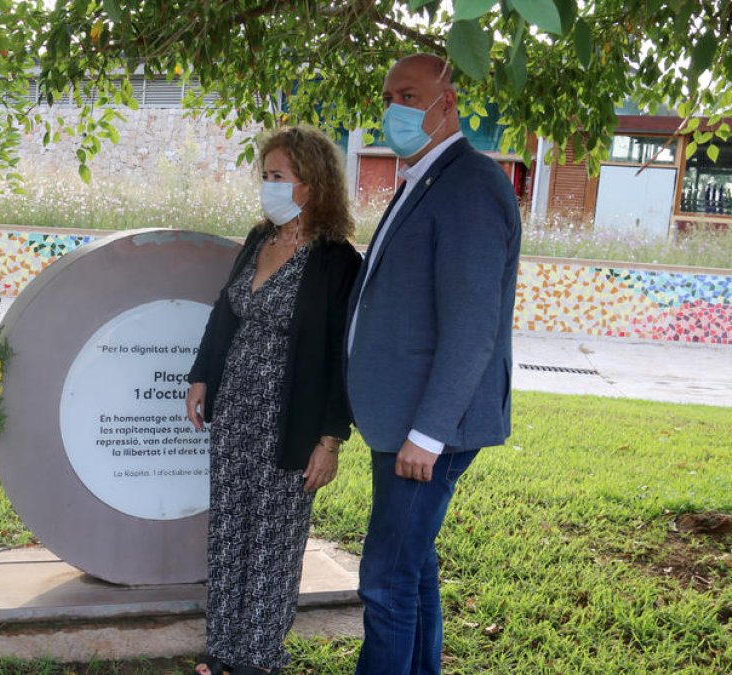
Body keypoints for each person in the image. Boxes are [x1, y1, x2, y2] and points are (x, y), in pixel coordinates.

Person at [345, 54, 522, 674]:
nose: (394, 107)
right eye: (389, 94)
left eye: (410, 94)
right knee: (412, 568)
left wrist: (429, 433)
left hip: (426, 429)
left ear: (446, 103)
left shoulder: (470, 185)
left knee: (386, 579)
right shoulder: (426, 177)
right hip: (404, 418)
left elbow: (473, 329)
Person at [185, 125, 362, 675]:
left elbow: (342, 359)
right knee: (231, 530)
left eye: (277, 177)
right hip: (236, 411)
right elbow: (224, 313)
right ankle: (223, 652)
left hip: (291, 422)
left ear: (310, 184)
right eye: (266, 176)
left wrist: (329, 440)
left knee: (274, 543)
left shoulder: (337, 261)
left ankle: (259, 659)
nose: (268, 186)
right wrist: (201, 378)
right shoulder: (259, 238)